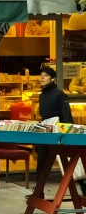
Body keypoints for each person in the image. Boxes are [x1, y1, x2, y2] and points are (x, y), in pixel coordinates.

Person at [36, 65, 76, 196]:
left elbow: (66, 114)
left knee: (72, 161)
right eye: (41, 75)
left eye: (46, 75)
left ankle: (82, 185)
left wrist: (69, 133)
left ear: (53, 79)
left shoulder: (59, 94)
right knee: (41, 160)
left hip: (58, 130)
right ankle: (38, 191)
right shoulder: (42, 95)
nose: (42, 78)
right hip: (45, 130)